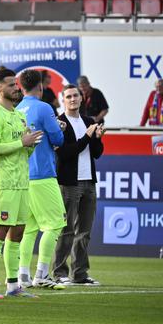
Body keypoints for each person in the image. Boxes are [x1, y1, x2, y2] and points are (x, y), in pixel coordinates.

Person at [0, 68, 42, 298]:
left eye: (16, 84)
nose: (16, 88)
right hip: (3, 183)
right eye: (10, 84)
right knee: (0, 230)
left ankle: (13, 285)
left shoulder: (19, 116)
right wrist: (21, 142)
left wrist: (31, 144)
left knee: (18, 231)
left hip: (21, 182)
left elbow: (24, 153)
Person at [15, 69, 67, 290]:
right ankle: (42, 274)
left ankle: (23, 276)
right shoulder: (44, 107)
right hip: (43, 174)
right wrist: (59, 129)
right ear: (41, 86)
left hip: (23, 176)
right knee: (55, 224)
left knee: (29, 228)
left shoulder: (16, 109)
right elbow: (58, 139)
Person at [54, 85, 104, 285]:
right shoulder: (60, 123)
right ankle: (59, 273)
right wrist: (87, 137)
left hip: (89, 182)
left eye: (76, 95)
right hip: (69, 183)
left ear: (82, 99)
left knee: (84, 232)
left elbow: (96, 153)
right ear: (63, 100)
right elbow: (65, 153)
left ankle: (80, 274)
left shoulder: (88, 121)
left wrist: (97, 139)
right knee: (66, 230)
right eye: (69, 96)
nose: (73, 99)